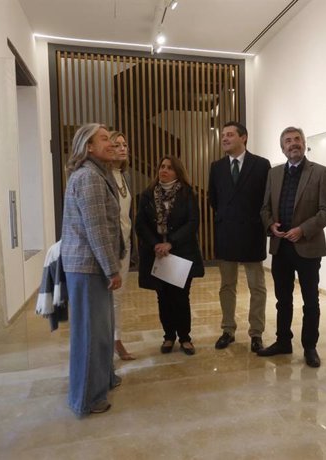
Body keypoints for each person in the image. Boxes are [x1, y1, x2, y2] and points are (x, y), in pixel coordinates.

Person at [257, 126, 326, 368]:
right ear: (282, 148)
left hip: (308, 246)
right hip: (281, 246)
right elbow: (265, 208)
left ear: (304, 143)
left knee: (311, 300)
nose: (293, 144)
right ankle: (283, 341)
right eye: (288, 141)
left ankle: (310, 347)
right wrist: (271, 225)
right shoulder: (274, 173)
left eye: (297, 140)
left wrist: (303, 229)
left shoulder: (320, 172)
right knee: (283, 300)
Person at [61, 123, 125, 416]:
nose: (112, 143)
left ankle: (103, 380)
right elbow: (97, 229)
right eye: (104, 139)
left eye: (111, 139)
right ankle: (86, 397)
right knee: (90, 334)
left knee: (101, 330)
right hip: (89, 267)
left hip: (91, 266)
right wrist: (113, 269)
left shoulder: (98, 174)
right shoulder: (89, 177)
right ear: (88, 146)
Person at [208, 121, 271, 352]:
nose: (224, 138)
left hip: (252, 232)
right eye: (223, 135)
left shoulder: (261, 165)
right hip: (226, 233)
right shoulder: (216, 167)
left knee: (257, 286)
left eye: (230, 134)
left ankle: (256, 333)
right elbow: (214, 199)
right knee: (227, 285)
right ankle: (228, 330)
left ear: (243, 137)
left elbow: (266, 199)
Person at [135, 156, 204, 355]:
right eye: (162, 167)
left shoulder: (187, 194)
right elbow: (141, 224)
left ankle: (185, 337)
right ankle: (168, 336)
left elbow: (192, 223)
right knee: (163, 297)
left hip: (181, 252)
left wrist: (170, 242)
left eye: (170, 168)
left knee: (181, 297)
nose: (164, 170)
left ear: (177, 172)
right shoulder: (148, 195)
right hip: (157, 254)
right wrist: (156, 243)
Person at [109, 131, 135, 361]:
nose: (122, 148)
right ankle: (113, 341)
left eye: (124, 144)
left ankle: (116, 339)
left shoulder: (123, 176)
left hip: (124, 245)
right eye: (116, 144)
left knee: (119, 296)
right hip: (110, 247)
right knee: (109, 296)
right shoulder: (104, 175)